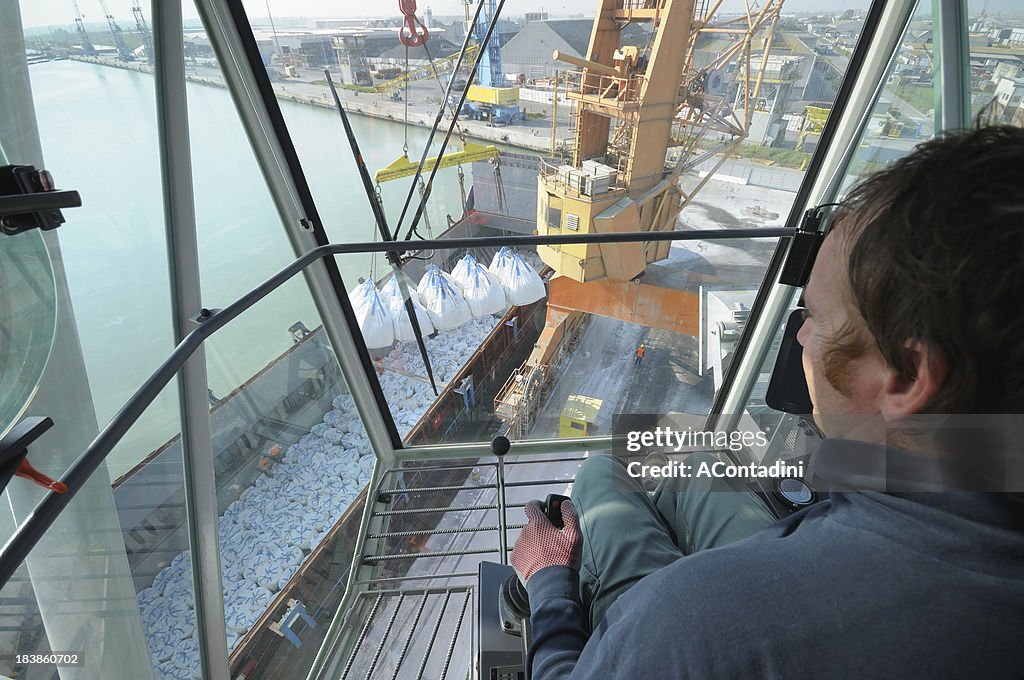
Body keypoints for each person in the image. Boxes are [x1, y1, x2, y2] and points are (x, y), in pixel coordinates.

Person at [510, 125, 1024, 678]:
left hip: (712, 613)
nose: (799, 337)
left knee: (599, 474)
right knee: (699, 461)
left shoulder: (690, 626)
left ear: (906, 376)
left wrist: (547, 590)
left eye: (817, 319)